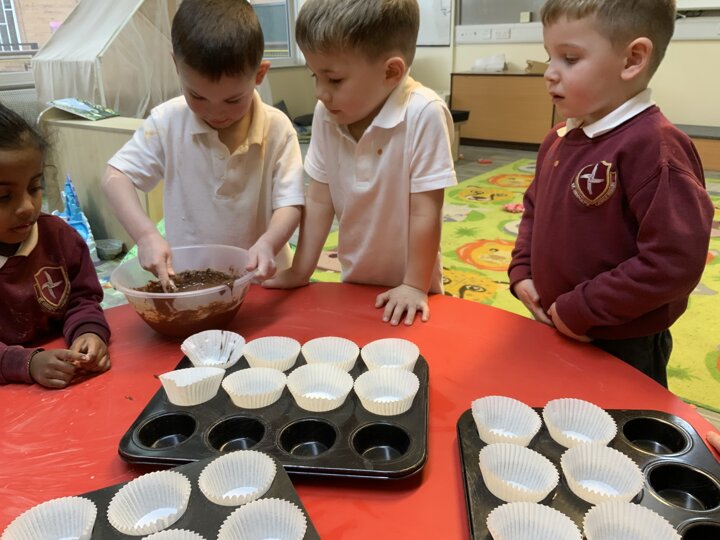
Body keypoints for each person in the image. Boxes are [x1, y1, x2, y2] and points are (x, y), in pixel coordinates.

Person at [508, 0, 714, 387]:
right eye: (549, 56)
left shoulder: (655, 147)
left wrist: (581, 308)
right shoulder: (557, 139)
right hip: (555, 320)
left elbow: (672, 262)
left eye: (569, 58)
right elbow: (534, 209)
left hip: (624, 342)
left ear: (632, 60)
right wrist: (522, 271)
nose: (549, 73)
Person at [264, 0, 457, 326]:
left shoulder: (424, 113)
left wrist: (414, 285)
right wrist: (300, 271)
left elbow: (426, 211)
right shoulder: (328, 114)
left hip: (414, 285)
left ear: (391, 72)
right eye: (315, 76)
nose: (320, 93)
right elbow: (320, 200)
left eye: (334, 80)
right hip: (354, 279)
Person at [102, 0, 304, 289]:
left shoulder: (278, 128)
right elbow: (115, 177)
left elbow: (291, 203)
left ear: (259, 75)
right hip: (191, 283)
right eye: (197, 96)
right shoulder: (166, 122)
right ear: (177, 66)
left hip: (264, 280)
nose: (215, 112)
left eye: (233, 100)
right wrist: (146, 235)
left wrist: (269, 242)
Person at [0, 103, 111, 388]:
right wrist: (27, 363)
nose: (27, 207)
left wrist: (89, 332)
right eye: (3, 197)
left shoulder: (59, 238)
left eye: (34, 188)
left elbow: (82, 299)